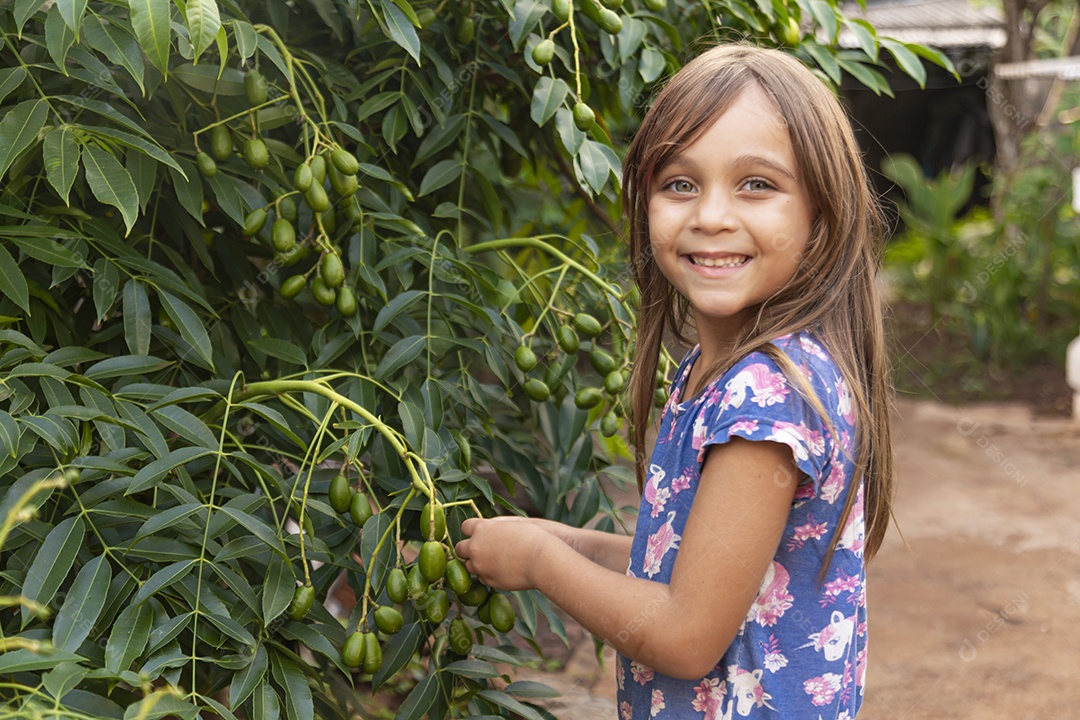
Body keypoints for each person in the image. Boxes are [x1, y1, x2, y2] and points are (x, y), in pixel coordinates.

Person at [455, 43, 894, 720]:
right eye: (680, 184)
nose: (710, 215)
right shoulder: (716, 372)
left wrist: (542, 562)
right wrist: (557, 541)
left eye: (757, 184)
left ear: (821, 218)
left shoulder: (768, 397)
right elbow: (677, 567)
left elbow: (686, 637)